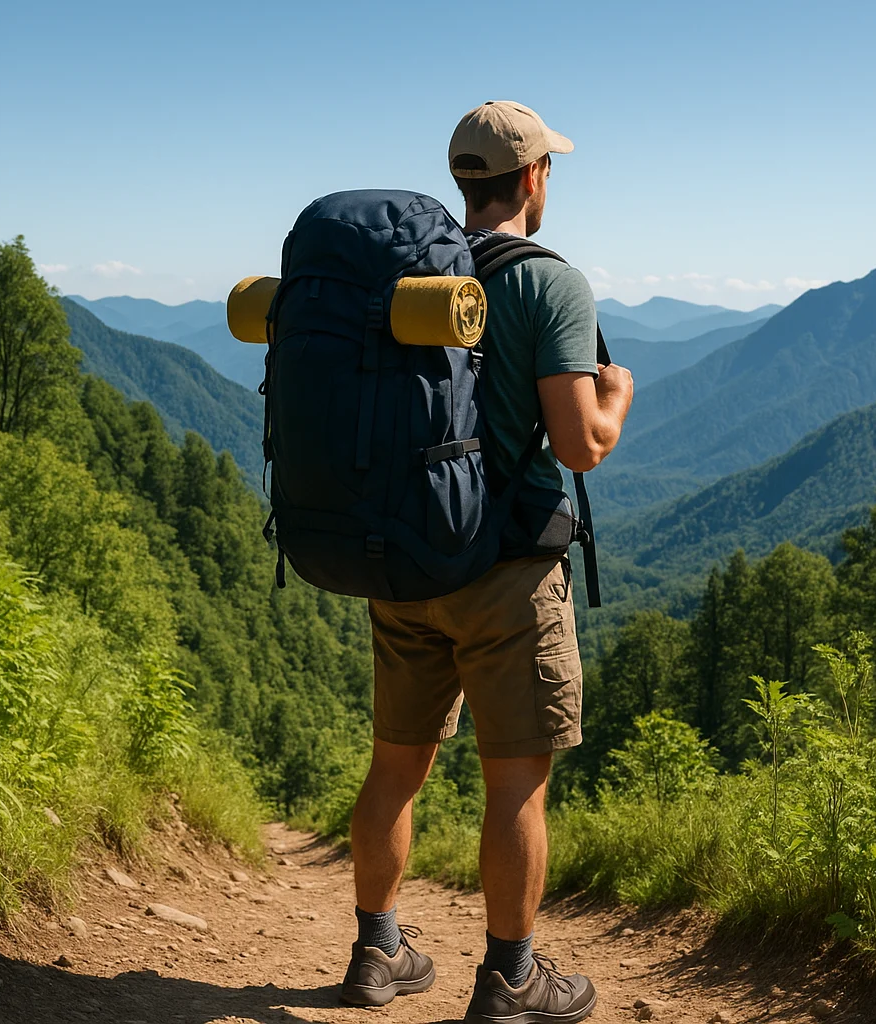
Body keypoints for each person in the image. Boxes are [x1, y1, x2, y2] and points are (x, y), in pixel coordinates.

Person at [338, 100, 634, 1024]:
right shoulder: (550, 283)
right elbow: (579, 445)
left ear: (464, 181)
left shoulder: (416, 279)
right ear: (535, 177)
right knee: (515, 779)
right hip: (508, 572)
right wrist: (617, 396)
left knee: (396, 766)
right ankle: (511, 975)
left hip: (408, 561)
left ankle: (377, 953)